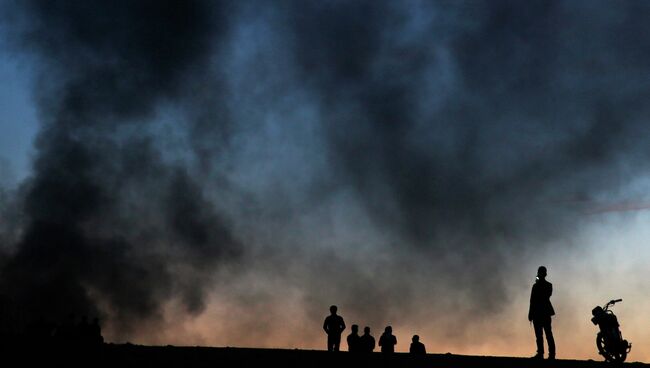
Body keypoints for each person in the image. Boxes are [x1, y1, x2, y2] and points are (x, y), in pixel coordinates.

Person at [528, 266, 555, 360]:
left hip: (539, 312)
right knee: (545, 334)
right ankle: (548, 354)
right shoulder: (548, 285)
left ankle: (544, 354)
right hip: (543, 312)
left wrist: (530, 314)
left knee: (544, 334)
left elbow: (534, 300)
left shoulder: (538, 286)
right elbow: (532, 300)